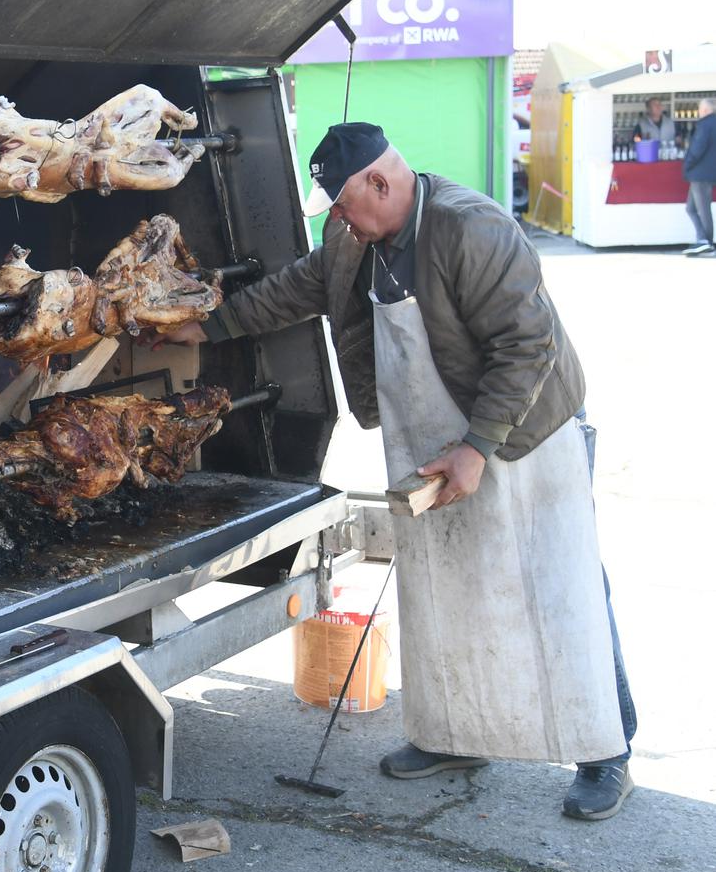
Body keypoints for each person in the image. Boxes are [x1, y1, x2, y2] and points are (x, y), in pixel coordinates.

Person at [160, 123, 636, 819]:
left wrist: (476, 448)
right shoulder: (352, 240)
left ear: (380, 184)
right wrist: (207, 327)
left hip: (526, 431)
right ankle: (456, 733)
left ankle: (605, 753)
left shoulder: (472, 230)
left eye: (347, 204)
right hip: (432, 436)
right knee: (445, 590)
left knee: (560, 592)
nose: (342, 222)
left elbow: (525, 348)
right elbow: (296, 290)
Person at [682, 97, 716, 257]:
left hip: (699, 173)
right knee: (691, 208)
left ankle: (707, 243)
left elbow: (697, 149)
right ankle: (703, 240)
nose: (699, 111)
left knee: (702, 210)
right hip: (707, 173)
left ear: (706, 110)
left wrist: (687, 164)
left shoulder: (704, 125)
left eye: (700, 108)